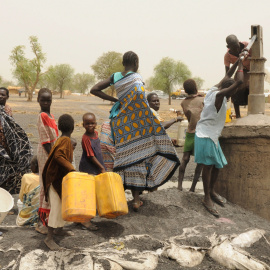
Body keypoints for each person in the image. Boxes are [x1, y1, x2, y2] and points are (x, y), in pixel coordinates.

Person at [91, 51, 180, 211]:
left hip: (118, 121)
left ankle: (117, 197)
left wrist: (116, 100)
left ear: (123, 62)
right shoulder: (137, 78)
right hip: (134, 122)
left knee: (122, 156)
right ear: (136, 62)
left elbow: (94, 89)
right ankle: (137, 199)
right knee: (140, 154)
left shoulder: (116, 76)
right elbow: (140, 99)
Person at [195, 57, 244, 218]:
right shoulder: (218, 97)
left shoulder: (213, 89)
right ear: (229, 91)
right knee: (208, 167)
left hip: (211, 135)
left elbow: (228, 76)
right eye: (233, 93)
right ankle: (206, 197)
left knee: (218, 165)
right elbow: (238, 82)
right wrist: (242, 65)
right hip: (206, 135)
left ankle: (211, 191)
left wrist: (238, 60)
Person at [42, 114, 75, 251]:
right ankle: (49, 238)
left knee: (61, 204)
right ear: (73, 127)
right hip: (55, 180)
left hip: (55, 178)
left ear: (59, 127)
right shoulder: (66, 141)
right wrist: (72, 169)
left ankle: (59, 229)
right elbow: (58, 156)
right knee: (55, 208)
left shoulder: (61, 139)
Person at [0, 87, 32, 194]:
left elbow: (12, 127)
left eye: (3, 94)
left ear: (7, 97)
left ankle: (5, 195)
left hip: (8, 146)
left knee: (9, 169)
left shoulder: (8, 109)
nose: (0, 96)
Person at [36, 88, 59, 234]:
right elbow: (45, 141)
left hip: (51, 151)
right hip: (46, 153)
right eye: (43, 100)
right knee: (46, 184)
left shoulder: (51, 116)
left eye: (48, 100)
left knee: (50, 184)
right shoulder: (42, 116)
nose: (45, 102)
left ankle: (50, 219)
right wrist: (54, 157)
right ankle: (42, 222)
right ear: (38, 100)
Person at [177, 79, 204, 192]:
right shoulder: (202, 100)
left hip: (190, 132)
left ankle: (179, 186)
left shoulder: (183, 103)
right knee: (200, 161)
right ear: (196, 88)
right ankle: (192, 188)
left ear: (186, 91)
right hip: (201, 133)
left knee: (185, 158)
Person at [224, 35, 251, 118]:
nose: (237, 49)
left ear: (239, 42)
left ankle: (251, 114)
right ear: (228, 47)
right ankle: (238, 115)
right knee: (235, 88)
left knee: (250, 87)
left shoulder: (247, 45)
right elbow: (228, 74)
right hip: (241, 71)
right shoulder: (227, 56)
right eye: (234, 48)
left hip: (253, 70)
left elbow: (257, 55)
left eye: (237, 46)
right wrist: (227, 89)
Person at [17, 156, 40, 226]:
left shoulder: (26, 177)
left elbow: (21, 197)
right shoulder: (46, 176)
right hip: (43, 217)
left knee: (20, 202)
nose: (30, 167)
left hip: (26, 218)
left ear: (35, 166)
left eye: (31, 165)